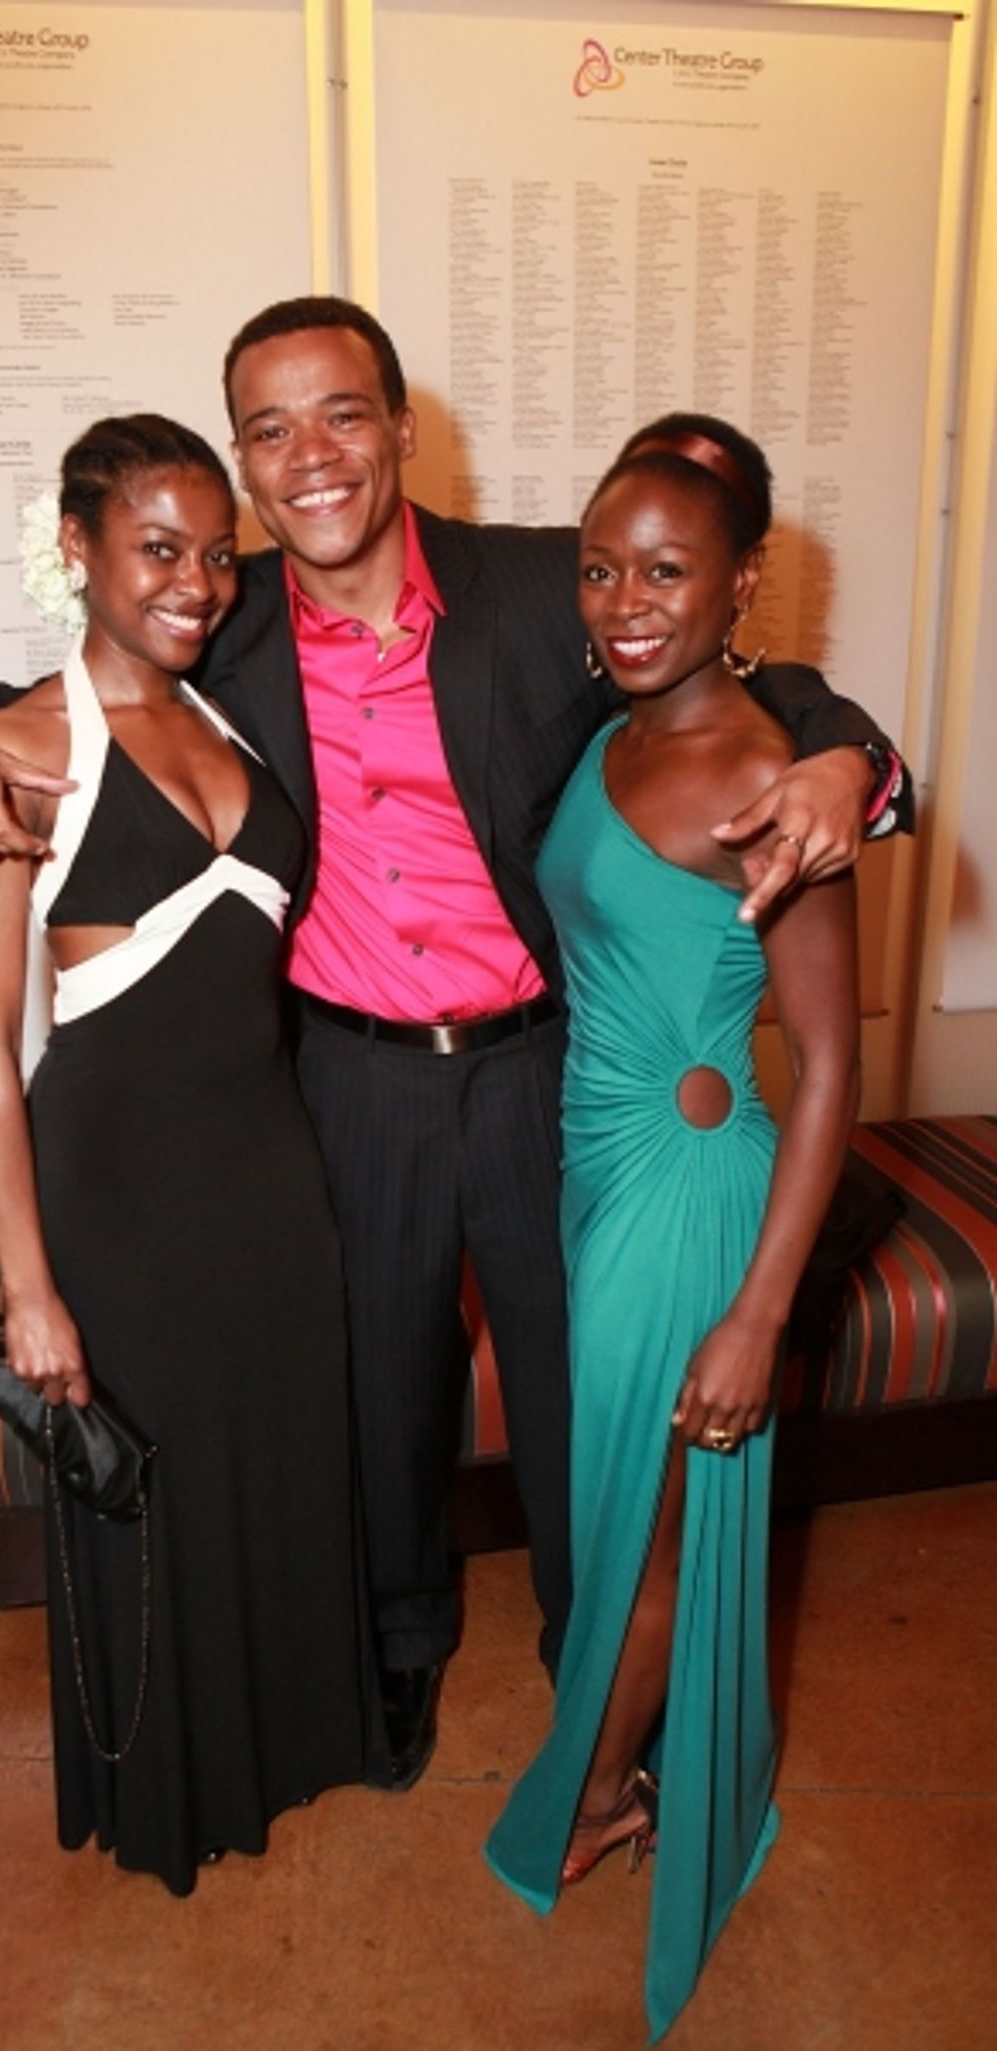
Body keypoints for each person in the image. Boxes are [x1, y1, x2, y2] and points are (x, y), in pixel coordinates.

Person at [0, 299, 909, 1795]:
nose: (309, 458)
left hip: (537, 1070)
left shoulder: (532, 582)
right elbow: (42, 693)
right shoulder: (215, 616)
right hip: (347, 1075)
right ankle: (395, 1655)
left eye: (343, 414)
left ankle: (600, 1676)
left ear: (401, 428)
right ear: (240, 457)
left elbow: (716, 651)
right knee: (376, 1400)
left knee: (574, 1398)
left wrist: (846, 753)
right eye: (269, 428)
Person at [0, 414, 378, 1896]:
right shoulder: (16, 749)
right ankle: (167, 1790)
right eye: (156, 549)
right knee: (148, 1499)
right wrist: (30, 1286)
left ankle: (284, 1745)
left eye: (215, 553)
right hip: (119, 1195)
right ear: (77, 547)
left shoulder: (233, 717)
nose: (196, 581)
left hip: (268, 1173)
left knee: (271, 1470)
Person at [484, 416, 862, 2040]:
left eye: (665, 570)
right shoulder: (609, 727)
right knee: (611, 1509)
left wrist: (761, 1314)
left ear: (742, 584)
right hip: (595, 1169)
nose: (623, 602)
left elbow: (834, 1062)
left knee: (646, 1536)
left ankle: (596, 1799)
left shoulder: (781, 777)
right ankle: (623, 1768)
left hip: (691, 1200)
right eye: (599, 568)